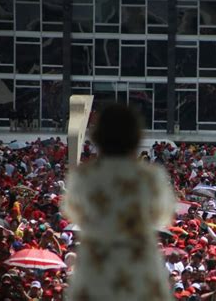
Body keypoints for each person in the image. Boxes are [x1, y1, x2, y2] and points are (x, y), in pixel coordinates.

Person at [63, 104, 175, 300]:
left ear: (98, 137)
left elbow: (74, 213)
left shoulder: (85, 175)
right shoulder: (150, 176)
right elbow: (160, 216)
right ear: (135, 137)